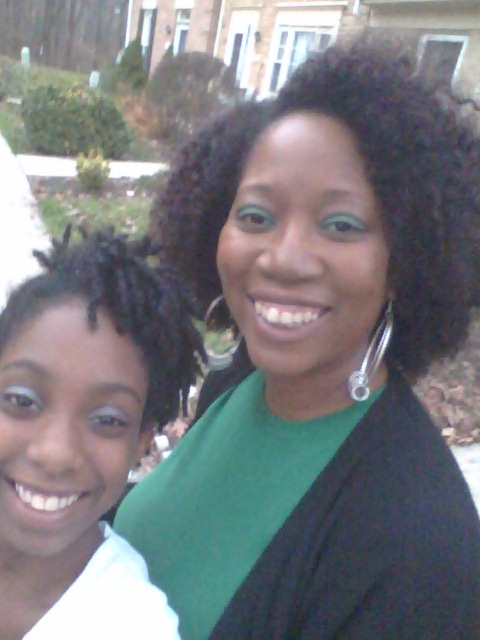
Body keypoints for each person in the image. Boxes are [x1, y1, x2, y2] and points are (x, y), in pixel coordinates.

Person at [114, 37, 480, 640]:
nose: (284, 258)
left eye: (341, 225)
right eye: (256, 216)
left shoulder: (421, 540)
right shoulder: (238, 383)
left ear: (403, 260)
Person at [0, 226, 203, 639]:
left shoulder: (134, 627)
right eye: (22, 400)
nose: (55, 453)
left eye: (107, 421)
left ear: (141, 443)